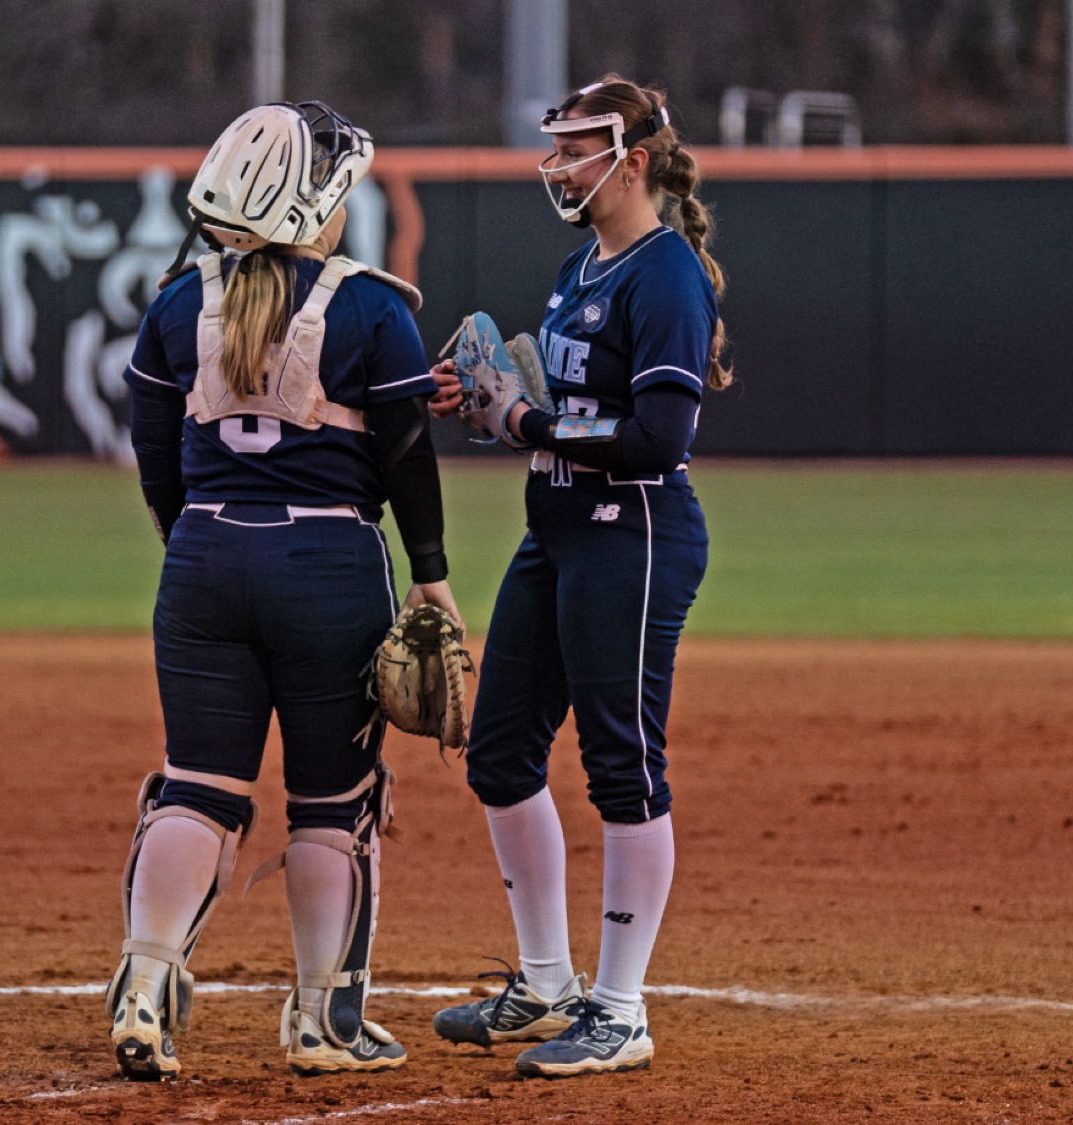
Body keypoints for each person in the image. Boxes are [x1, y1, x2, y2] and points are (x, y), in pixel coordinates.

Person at [108, 100, 456, 1081]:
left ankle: (144, 983)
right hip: (327, 567)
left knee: (199, 783)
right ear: (316, 204)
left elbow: (154, 455)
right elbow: (403, 460)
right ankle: (321, 1022)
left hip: (204, 562)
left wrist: (196, 546)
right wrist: (428, 577)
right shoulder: (370, 308)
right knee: (328, 803)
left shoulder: (178, 302)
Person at [426, 76, 729, 1078]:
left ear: (631, 158)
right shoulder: (579, 266)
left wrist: (524, 421)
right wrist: (476, 394)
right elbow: (555, 401)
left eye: (573, 149)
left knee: (621, 769)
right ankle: (546, 982)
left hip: (631, 534)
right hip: (555, 531)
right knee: (500, 753)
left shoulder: (663, 273)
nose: (553, 165)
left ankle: (621, 1010)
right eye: (550, 147)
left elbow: (657, 435)